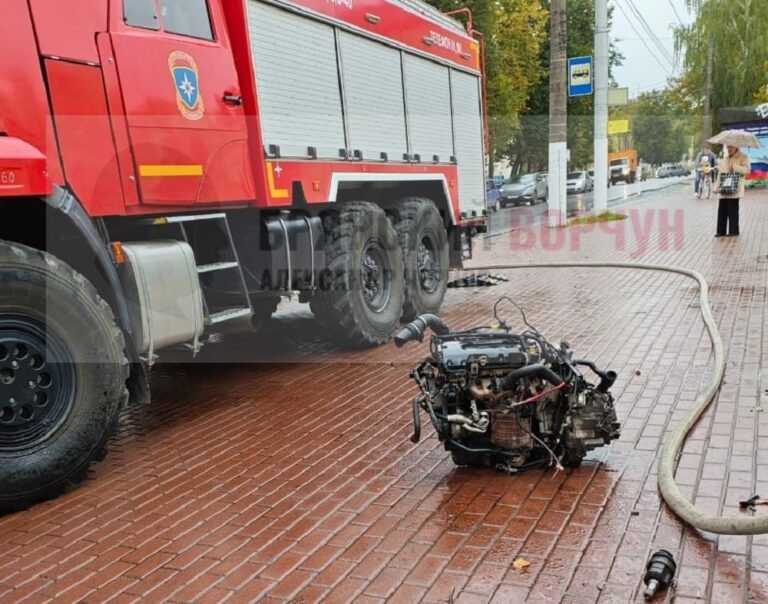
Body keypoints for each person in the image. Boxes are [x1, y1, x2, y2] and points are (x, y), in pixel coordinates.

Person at [714, 144, 751, 237]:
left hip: (735, 188)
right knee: (722, 209)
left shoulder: (743, 157)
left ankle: (733, 231)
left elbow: (747, 170)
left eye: (730, 147)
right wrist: (716, 187)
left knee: (732, 210)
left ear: (736, 147)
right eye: (727, 147)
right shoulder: (725, 159)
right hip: (724, 187)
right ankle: (720, 231)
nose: (729, 149)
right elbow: (720, 174)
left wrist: (736, 167)